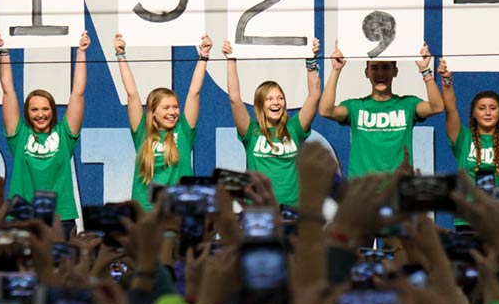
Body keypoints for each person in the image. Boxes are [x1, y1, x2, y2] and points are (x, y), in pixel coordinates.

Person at [0, 30, 92, 233]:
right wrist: (4, 52)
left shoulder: (65, 135)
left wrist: (81, 52)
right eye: (34, 109)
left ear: (52, 111)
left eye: (45, 108)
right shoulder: (19, 136)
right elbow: (8, 91)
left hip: (61, 218)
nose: (40, 114)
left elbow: (78, 92)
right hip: (23, 218)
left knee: (64, 266)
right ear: (27, 112)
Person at [222, 38, 322, 208]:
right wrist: (231, 59)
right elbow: (234, 98)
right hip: (258, 211)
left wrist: (311, 60)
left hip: (292, 212)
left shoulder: (295, 129)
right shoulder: (251, 131)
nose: (276, 103)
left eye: (280, 98)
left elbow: (314, 96)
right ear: (260, 105)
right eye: (269, 99)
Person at [320, 43, 444, 176]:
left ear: (395, 71)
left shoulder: (408, 105)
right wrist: (336, 70)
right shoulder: (355, 107)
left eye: (386, 67)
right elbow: (325, 111)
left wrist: (425, 70)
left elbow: (437, 107)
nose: (380, 73)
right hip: (361, 191)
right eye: (374, 68)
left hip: (397, 191)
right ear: (367, 73)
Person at [116, 33, 211, 206]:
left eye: (175, 107)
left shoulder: (183, 130)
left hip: (178, 212)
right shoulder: (142, 133)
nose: (173, 112)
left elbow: (194, 92)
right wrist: (121, 56)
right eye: (166, 108)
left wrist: (204, 55)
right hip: (145, 213)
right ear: (152, 112)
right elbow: (132, 94)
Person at [438, 57, 499, 186]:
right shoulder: (463, 138)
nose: (488, 113)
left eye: (493, 108)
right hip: (471, 205)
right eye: (482, 108)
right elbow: (451, 110)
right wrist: (446, 79)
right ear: (473, 114)